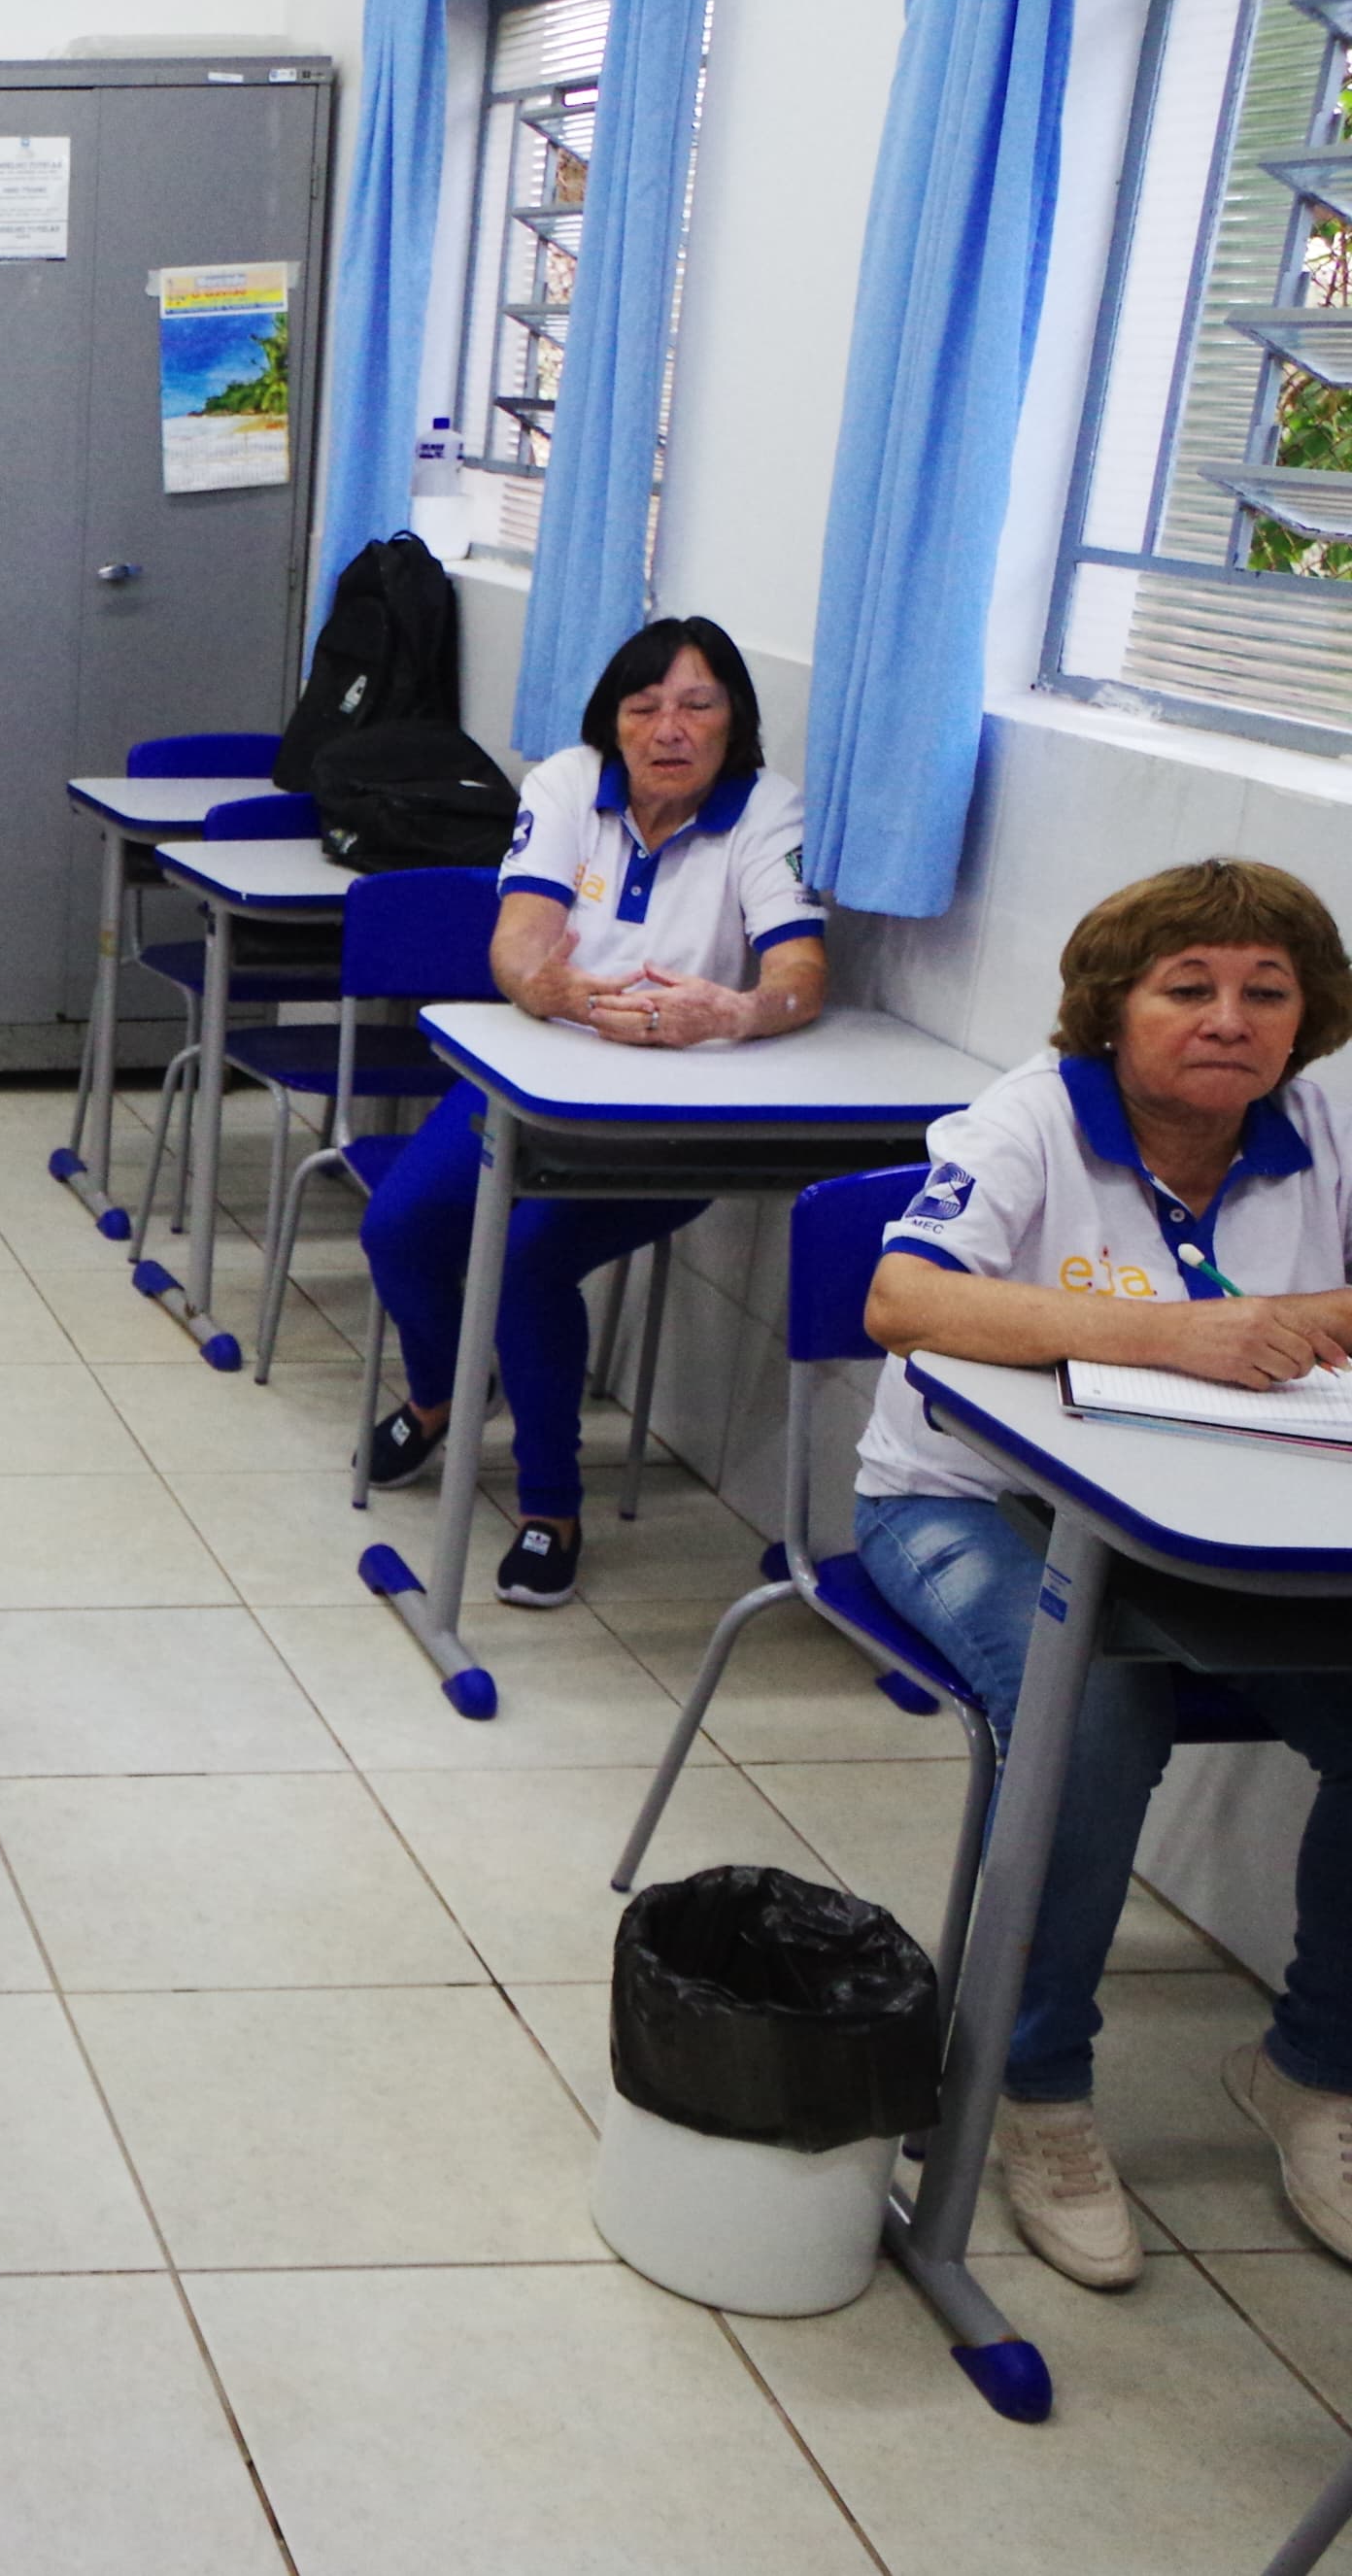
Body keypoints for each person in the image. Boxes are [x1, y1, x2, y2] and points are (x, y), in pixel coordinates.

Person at [852, 858, 1352, 2290]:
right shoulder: (1034, 1119)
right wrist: (1183, 1334)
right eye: (1185, 987)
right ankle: (1035, 2085)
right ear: (1114, 1008)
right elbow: (904, 1298)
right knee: (1095, 1717)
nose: (1229, 1018)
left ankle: (1314, 2067)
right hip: (967, 1506)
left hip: (1229, 1531)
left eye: (1268, 992)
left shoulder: (1318, 1127)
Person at [356, 616, 828, 1605]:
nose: (669, 728)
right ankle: (445, 1391)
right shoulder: (568, 783)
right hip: (539, 1068)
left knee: (528, 1260)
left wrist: (731, 1010)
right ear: (610, 722)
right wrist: (564, 995)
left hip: (676, 1113)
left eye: (697, 704)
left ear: (730, 720)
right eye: (643, 705)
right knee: (397, 1225)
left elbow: (798, 973)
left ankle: (546, 1506)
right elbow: (517, 944)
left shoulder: (766, 809)